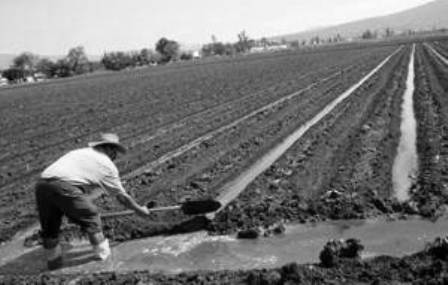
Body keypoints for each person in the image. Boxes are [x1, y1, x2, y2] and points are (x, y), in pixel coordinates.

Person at [35, 133, 151, 270]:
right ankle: (104, 265)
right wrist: (139, 210)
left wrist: (73, 213)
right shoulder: (107, 165)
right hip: (65, 186)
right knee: (92, 217)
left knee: (50, 230)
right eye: (115, 152)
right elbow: (122, 197)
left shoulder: (78, 152)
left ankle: (53, 267)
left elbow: (72, 183)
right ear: (109, 149)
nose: (115, 156)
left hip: (42, 185)